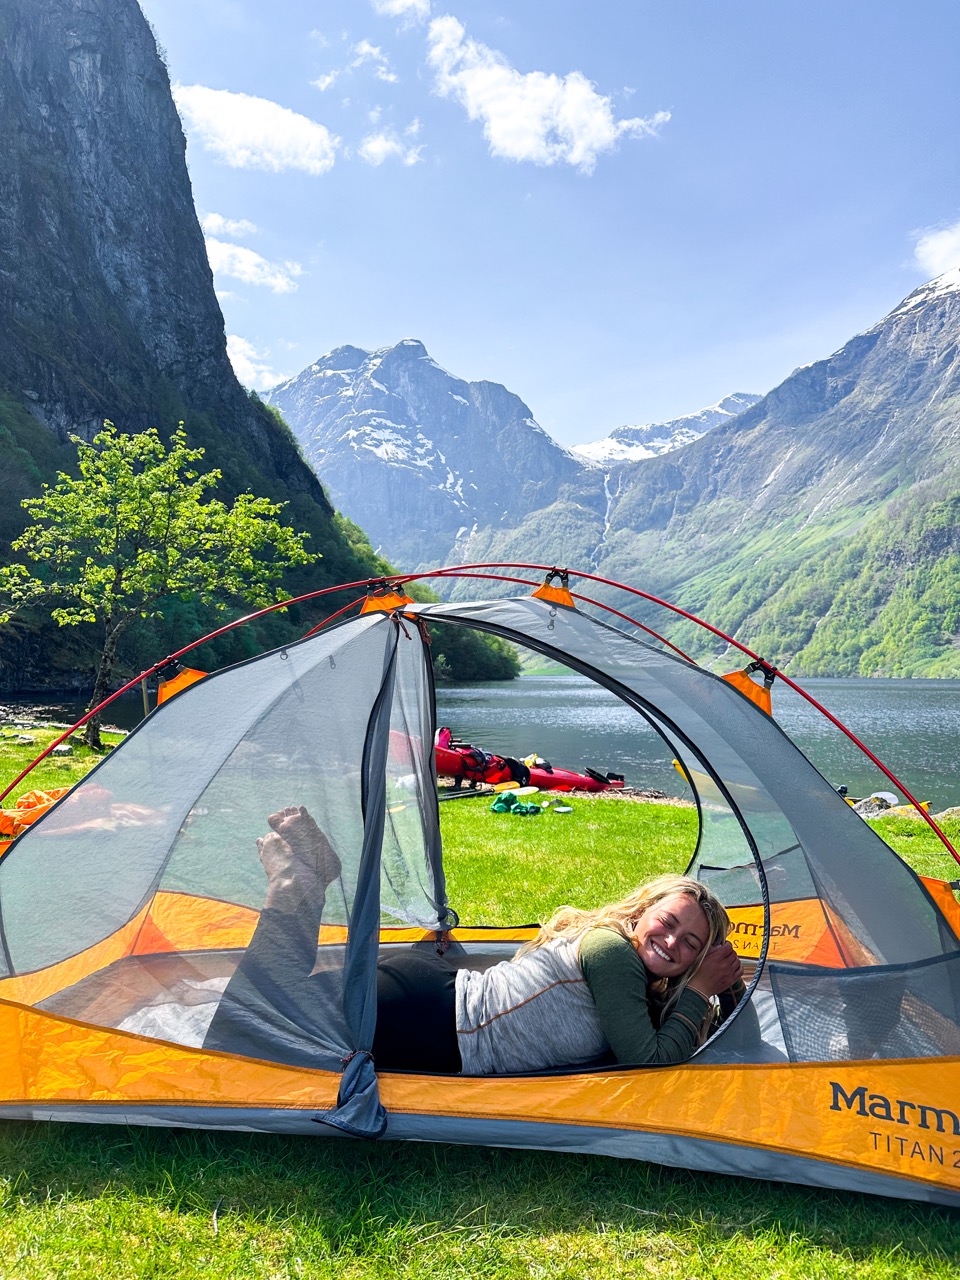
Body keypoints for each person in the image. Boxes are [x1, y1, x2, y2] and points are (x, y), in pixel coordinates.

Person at [205, 807, 747, 1074]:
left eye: (692, 944)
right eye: (667, 922)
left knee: (274, 1004)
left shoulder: (636, 982)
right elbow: (649, 1062)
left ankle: (308, 883)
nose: (672, 941)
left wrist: (717, 990)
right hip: (431, 1020)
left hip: (439, 1000)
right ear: (640, 913)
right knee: (244, 1025)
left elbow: (704, 1030)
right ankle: (294, 886)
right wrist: (700, 986)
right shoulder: (613, 954)